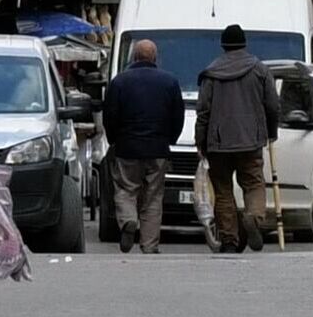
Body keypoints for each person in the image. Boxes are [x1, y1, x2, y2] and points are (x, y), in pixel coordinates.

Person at [194, 24, 280, 253]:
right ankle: (253, 217)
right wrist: (271, 132)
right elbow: (272, 105)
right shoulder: (260, 70)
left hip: (218, 143)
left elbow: (203, 112)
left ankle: (230, 240)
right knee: (253, 183)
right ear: (245, 43)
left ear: (223, 45)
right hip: (251, 140)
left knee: (222, 191)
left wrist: (200, 141)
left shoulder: (211, 73)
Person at [103, 39, 184, 254]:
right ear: (155, 58)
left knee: (126, 189)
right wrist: (170, 140)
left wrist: (114, 140)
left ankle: (129, 221)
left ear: (134, 57)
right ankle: (149, 245)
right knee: (153, 197)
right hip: (158, 148)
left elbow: (110, 115)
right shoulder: (170, 82)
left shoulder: (119, 82)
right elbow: (178, 116)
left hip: (127, 147)